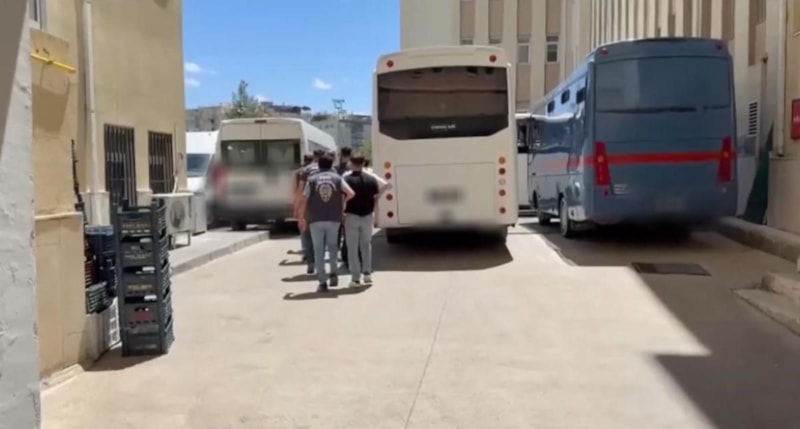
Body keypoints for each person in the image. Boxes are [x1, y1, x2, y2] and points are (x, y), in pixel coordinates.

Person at [298, 154, 355, 292]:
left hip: (315, 219)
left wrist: (301, 217)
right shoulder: (337, 178)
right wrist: (341, 203)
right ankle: (334, 274)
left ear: (319, 165)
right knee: (333, 247)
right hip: (334, 218)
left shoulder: (312, 179)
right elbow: (351, 193)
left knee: (319, 250)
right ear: (331, 165)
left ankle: (322, 281)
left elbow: (304, 199)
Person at [343, 155, 389, 286]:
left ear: (351, 163)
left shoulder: (346, 179)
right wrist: (377, 217)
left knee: (352, 248)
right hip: (368, 216)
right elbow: (377, 197)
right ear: (363, 163)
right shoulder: (371, 180)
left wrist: (341, 215)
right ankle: (367, 274)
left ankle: (355, 278)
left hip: (351, 216)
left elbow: (342, 199)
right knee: (366, 245)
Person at [295, 150, 324, 274]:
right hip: (324, 207)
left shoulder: (306, 170)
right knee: (322, 237)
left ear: (314, 157)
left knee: (308, 236)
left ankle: (311, 262)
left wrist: (297, 208)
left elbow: (300, 191)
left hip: (308, 207)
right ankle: (320, 263)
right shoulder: (328, 169)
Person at [336, 147, 353, 269]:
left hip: (338, 202)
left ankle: (339, 253)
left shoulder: (336, 168)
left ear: (341, 154)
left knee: (338, 231)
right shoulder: (352, 168)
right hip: (351, 201)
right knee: (348, 233)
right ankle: (347, 257)